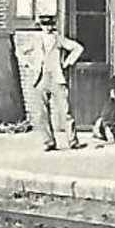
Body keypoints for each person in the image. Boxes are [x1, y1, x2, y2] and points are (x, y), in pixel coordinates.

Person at [26, 13, 83, 151]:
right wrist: (31, 64)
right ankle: (48, 141)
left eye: (50, 25)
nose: (48, 28)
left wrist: (67, 63)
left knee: (65, 110)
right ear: (41, 26)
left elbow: (78, 48)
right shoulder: (35, 39)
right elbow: (21, 52)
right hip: (40, 78)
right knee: (41, 112)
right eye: (45, 25)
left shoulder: (58, 39)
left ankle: (72, 140)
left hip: (57, 77)